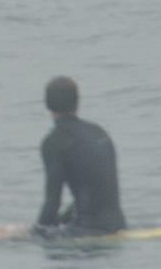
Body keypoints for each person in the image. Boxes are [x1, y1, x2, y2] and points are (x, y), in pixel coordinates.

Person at [30, 76, 126, 237]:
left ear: (47, 104)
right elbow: (97, 191)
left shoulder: (54, 141)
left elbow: (52, 202)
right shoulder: (99, 132)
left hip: (88, 231)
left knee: (16, 239)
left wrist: (36, 233)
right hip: (119, 224)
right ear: (78, 102)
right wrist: (62, 221)